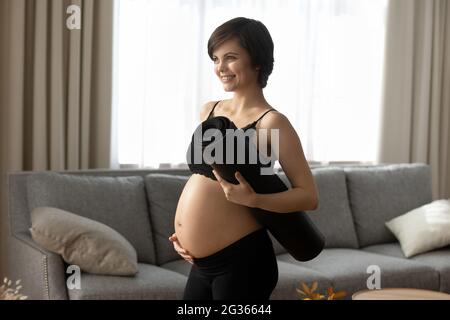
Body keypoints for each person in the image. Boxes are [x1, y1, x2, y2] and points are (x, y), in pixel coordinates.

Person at [169, 17, 319, 300]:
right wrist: (184, 235)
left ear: (257, 61)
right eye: (216, 58)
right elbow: (205, 182)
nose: (220, 68)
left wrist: (256, 200)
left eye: (230, 58)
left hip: (243, 263)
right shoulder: (209, 111)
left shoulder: (271, 123)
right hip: (201, 264)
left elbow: (308, 196)